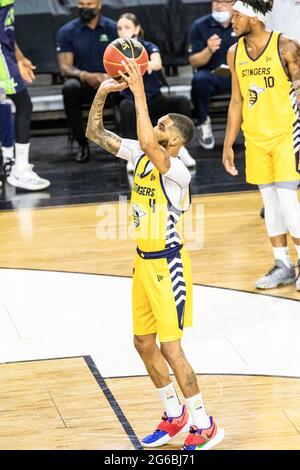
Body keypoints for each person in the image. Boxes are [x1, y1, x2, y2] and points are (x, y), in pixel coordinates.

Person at [86, 60, 224, 450]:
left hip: (169, 264)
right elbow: (95, 133)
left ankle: (204, 422)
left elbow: (149, 142)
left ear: (176, 142)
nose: (155, 129)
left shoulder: (177, 170)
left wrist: (140, 92)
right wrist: (102, 92)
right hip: (142, 264)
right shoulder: (141, 156)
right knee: (143, 344)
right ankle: (173, 413)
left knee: (170, 347)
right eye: (156, 123)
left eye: (163, 126)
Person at [223, 0, 300, 291]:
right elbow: (236, 101)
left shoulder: (286, 47)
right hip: (254, 139)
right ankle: (283, 264)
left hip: (285, 135)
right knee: (270, 204)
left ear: (254, 18)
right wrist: (228, 143)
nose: (232, 20)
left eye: (237, 15)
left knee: (287, 202)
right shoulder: (234, 53)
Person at [117, 13, 196, 172]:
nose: (123, 31)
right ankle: (134, 155)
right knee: (125, 106)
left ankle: (182, 148)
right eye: (119, 28)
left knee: (181, 101)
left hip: (153, 98)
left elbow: (157, 63)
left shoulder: (147, 46)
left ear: (137, 29)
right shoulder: (115, 51)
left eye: (127, 27)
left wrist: (138, 64)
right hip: (132, 100)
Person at [56, 0, 118, 163]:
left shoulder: (114, 28)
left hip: (111, 83)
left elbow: (125, 59)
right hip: (83, 85)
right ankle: (81, 143)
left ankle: (126, 146)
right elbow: (65, 67)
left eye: (89, 3)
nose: (84, 7)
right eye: (81, 3)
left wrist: (110, 77)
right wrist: (86, 75)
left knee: (130, 90)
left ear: (99, 5)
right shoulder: (67, 31)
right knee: (69, 88)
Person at [0, 0, 50, 191]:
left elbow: (7, 30)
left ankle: (18, 167)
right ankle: (19, 170)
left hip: (6, 52)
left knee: (22, 105)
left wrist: (19, 58)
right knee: (24, 104)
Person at [189, 0, 236, 149]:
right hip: (211, 74)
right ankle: (203, 124)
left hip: (238, 74)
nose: (218, 5)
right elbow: (194, 62)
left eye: (223, 2)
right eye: (216, 1)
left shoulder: (241, 22)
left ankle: (251, 124)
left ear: (233, 4)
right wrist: (208, 49)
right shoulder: (199, 26)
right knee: (199, 80)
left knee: (255, 78)